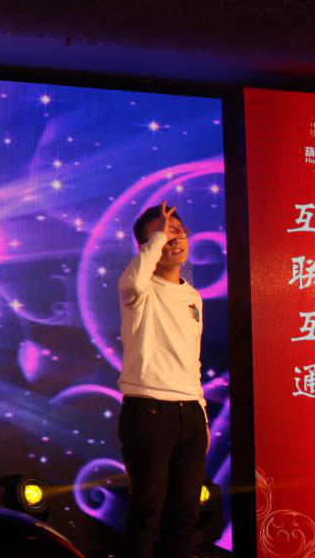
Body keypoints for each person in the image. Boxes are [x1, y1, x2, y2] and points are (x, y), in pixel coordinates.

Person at [117, 202, 209, 558]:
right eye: (165, 233)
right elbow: (135, 279)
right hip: (150, 411)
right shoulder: (138, 289)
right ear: (148, 246)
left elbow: (191, 360)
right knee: (147, 512)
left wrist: (201, 414)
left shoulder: (192, 296)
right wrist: (158, 236)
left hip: (190, 412)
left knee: (185, 515)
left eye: (179, 230)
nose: (176, 238)